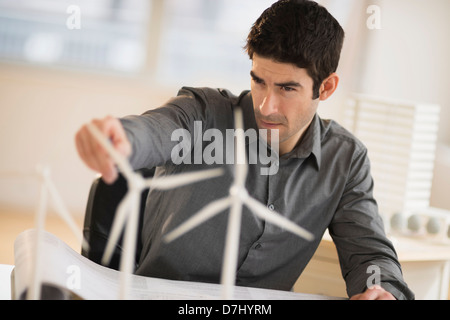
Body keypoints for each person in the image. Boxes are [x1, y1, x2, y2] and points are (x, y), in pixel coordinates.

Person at [75, 0, 414, 300]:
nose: (266, 106)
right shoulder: (204, 114)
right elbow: (157, 131)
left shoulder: (345, 160)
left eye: (287, 88)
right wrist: (122, 138)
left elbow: (369, 252)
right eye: (259, 81)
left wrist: (380, 289)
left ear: (325, 88)